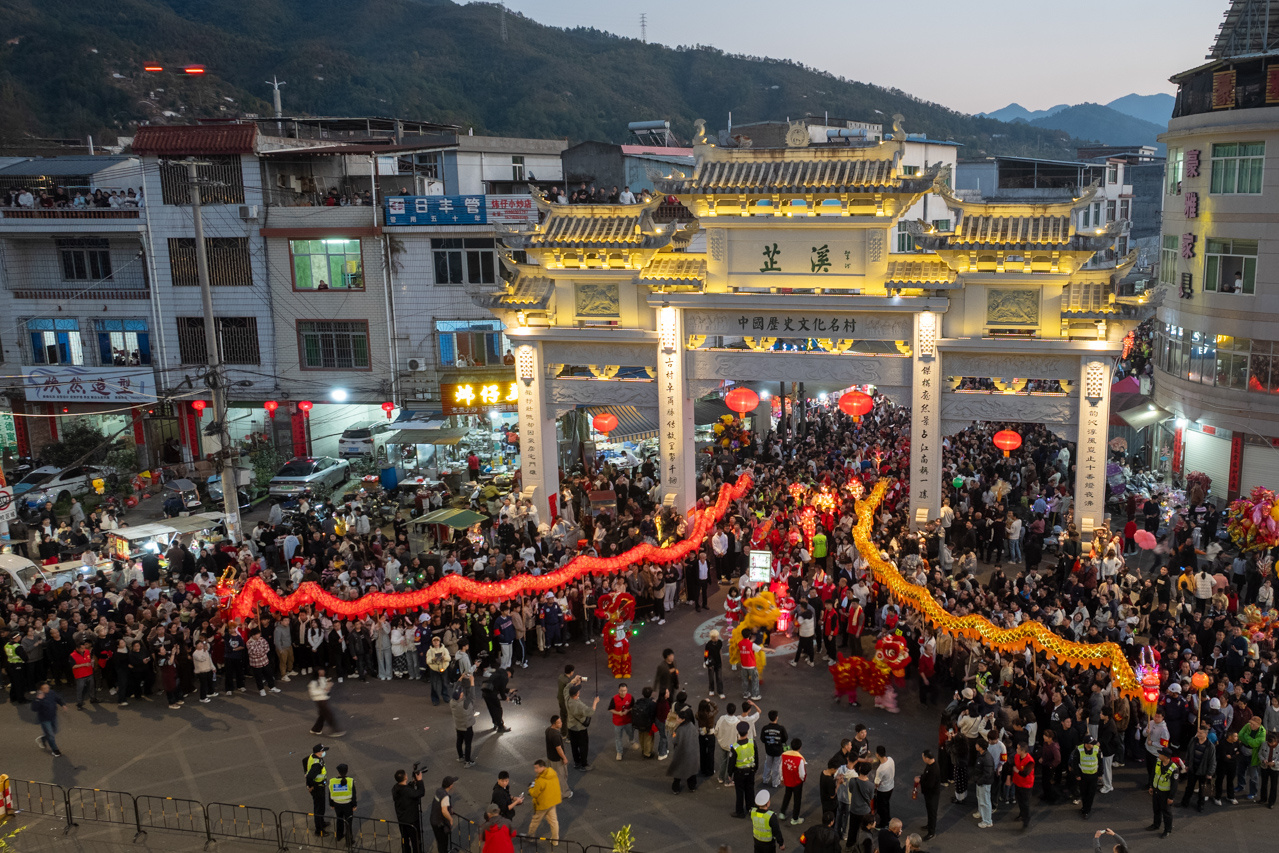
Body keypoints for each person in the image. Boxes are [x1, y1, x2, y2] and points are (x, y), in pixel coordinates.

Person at [564, 680, 599, 770]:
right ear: (577, 694)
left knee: (574, 746)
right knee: (583, 746)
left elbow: (566, 689)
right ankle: (584, 764)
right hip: (580, 728)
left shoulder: (567, 698)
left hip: (571, 727)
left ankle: (577, 762)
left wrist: (573, 681)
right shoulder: (579, 705)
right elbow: (590, 712)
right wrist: (595, 702)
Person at [527, 759, 563, 846]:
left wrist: (530, 788)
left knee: (535, 821)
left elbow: (535, 793)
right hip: (552, 801)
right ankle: (555, 840)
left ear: (542, 767)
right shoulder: (552, 773)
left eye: (536, 768)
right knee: (554, 822)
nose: (535, 770)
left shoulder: (541, 780)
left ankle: (530, 836)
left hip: (543, 804)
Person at [392, 766, 426, 853]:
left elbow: (406, 790)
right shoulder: (407, 791)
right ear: (405, 777)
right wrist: (419, 781)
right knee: (415, 840)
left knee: (405, 839)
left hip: (402, 819)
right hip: (412, 820)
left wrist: (412, 783)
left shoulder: (395, 788)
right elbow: (420, 793)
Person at [730, 720, 758, 818]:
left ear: (738, 732)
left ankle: (740, 812)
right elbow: (756, 757)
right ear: (747, 732)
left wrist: (730, 774)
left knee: (740, 792)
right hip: (750, 771)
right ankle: (751, 809)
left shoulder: (735, 747)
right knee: (750, 790)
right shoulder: (752, 742)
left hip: (739, 773)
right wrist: (755, 768)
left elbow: (732, 762)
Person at [1148, 748, 1179, 838]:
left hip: (1165, 794)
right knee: (1156, 809)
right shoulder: (1158, 762)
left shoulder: (1174, 768)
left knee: (1166, 813)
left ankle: (1167, 830)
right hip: (1156, 791)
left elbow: (1174, 785)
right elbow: (1153, 774)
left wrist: (1171, 798)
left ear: (1165, 757)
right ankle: (1156, 825)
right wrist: (1151, 786)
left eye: (1160, 754)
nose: (1159, 755)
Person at [31, 681, 67, 757]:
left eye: (48, 687)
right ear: (40, 690)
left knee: (54, 730)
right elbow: (34, 708)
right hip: (45, 719)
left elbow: (58, 698)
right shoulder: (38, 697)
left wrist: (62, 704)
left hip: (53, 716)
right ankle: (55, 751)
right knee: (51, 735)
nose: (48, 689)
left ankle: (43, 738)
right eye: (45, 688)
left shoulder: (51, 692)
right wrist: (38, 699)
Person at [327, 763, 358, 843]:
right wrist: (354, 805)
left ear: (338, 772)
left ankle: (339, 836)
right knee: (348, 823)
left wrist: (331, 804)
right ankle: (349, 841)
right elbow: (353, 794)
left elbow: (330, 793)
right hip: (347, 805)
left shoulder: (332, 781)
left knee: (339, 820)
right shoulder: (350, 781)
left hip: (337, 804)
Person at [1072, 734, 1101, 818]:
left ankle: (1086, 811)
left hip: (1093, 776)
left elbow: (1100, 762)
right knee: (1084, 793)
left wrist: (1100, 774)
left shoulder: (1097, 749)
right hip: (1083, 776)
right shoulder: (1079, 749)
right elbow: (1075, 763)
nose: (1094, 745)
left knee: (1091, 794)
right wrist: (1077, 774)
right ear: (1086, 744)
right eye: (1092, 743)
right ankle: (1085, 808)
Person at [309, 667, 344, 736]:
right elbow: (313, 692)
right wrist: (325, 690)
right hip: (320, 700)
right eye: (321, 672)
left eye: (323, 671)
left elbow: (326, 688)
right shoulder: (313, 682)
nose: (323, 673)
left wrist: (328, 685)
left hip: (324, 699)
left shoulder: (323, 679)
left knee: (323, 716)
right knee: (328, 715)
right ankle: (335, 730)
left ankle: (315, 729)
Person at [780, 738, 807, 825]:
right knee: (797, 800)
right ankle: (795, 818)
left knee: (787, 795)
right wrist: (803, 779)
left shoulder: (784, 755)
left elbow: (780, 768)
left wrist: (782, 778)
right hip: (796, 783)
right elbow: (802, 774)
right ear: (800, 748)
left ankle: (782, 812)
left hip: (787, 780)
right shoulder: (800, 759)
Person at [451, 676, 477, 767]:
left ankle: (460, 757)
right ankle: (468, 761)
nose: (462, 693)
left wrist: (460, 677)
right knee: (468, 744)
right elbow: (472, 695)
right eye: (461, 693)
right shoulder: (465, 704)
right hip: (467, 726)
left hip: (458, 726)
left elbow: (455, 689)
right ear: (461, 696)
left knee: (459, 741)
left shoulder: (452, 701)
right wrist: (472, 681)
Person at [750, 788, 786, 853]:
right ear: (768, 803)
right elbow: (776, 831)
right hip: (768, 845)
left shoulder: (753, 812)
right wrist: (781, 843)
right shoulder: (771, 816)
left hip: (757, 842)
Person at [544, 715, 572, 796]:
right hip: (557, 759)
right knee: (561, 777)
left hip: (550, 757)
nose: (561, 724)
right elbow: (559, 748)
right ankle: (564, 793)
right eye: (559, 723)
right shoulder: (555, 735)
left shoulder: (548, 730)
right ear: (554, 724)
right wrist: (564, 758)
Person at [304, 744, 329, 836]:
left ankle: (321, 823)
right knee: (319, 809)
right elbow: (310, 776)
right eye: (323, 751)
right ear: (318, 753)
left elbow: (304, 760)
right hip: (318, 787)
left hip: (319, 786)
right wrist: (310, 786)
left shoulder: (312, 756)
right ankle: (319, 830)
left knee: (321, 807)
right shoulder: (316, 765)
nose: (324, 753)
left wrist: (305, 772)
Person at [761, 710, 788, 788]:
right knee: (776, 767)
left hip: (768, 750)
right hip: (778, 751)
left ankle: (765, 779)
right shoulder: (781, 728)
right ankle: (775, 783)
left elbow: (762, 739)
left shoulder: (765, 728)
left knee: (768, 765)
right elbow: (785, 739)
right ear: (777, 717)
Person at [429, 775, 456, 853]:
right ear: (450, 786)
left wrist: (449, 808)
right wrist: (450, 819)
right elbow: (444, 811)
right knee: (443, 842)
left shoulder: (439, 791)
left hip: (433, 820)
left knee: (440, 841)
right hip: (440, 823)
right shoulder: (445, 797)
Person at [917, 750, 940, 841]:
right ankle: (929, 825)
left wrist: (920, 781)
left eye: (923, 757)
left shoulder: (934, 769)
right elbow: (926, 775)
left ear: (927, 758)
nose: (922, 759)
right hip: (929, 794)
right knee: (929, 811)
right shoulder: (930, 765)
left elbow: (930, 784)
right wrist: (921, 777)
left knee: (932, 812)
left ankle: (931, 832)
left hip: (932, 795)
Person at [1011, 740, 1034, 830]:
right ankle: (1022, 814)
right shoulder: (1017, 756)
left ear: (1023, 751)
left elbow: (1025, 773)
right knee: (1020, 801)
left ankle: (1026, 819)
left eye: (1018, 748)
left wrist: (1017, 771)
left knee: (1025, 803)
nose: (1016, 750)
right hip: (1018, 782)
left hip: (1026, 785)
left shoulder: (1030, 761)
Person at [609, 682, 635, 760]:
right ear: (618, 690)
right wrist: (618, 713)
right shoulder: (614, 698)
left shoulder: (630, 697)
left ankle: (631, 741)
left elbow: (633, 707)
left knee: (631, 732)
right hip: (618, 722)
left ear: (627, 690)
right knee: (618, 738)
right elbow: (610, 709)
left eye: (625, 690)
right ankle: (619, 752)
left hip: (628, 720)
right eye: (621, 691)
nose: (623, 692)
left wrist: (628, 710)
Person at [972, 738, 994, 828]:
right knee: (980, 798)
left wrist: (979, 781)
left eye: (977, 744)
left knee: (985, 801)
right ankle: (981, 813)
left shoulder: (987, 758)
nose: (975, 745)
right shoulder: (981, 755)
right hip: (980, 781)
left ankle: (987, 821)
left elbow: (988, 774)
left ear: (980, 747)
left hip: (984, 783)